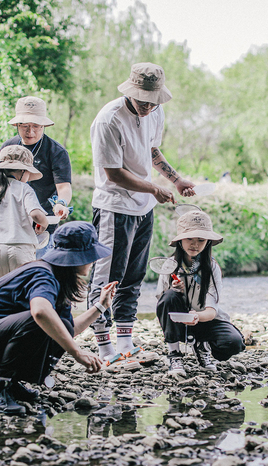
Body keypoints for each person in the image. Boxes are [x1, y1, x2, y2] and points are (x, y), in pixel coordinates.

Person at [0, 221, 117, 415]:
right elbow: (39, 313)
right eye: (91, 256)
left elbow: (67, 330)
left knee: (59, 325)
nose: (93, 262)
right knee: (39, 320)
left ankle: (10, 382)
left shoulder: (58, 278)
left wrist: (100, 306)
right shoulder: (43, 274)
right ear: (77, 257)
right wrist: (78, 353)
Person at [87, 62, 196, 362]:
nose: (148, 107)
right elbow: (113, 174)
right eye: (143, 101)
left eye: (153, 101)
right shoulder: (108, 120)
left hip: (143, 208)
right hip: (114, 207)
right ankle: (103, 346)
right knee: (108, 276)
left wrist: (175, 180)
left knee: (134, 275)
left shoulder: (156, 109)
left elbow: (151, 151)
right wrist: (153, 189)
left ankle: (125, 342)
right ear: (130, 92)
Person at [0, 96, 72, 258]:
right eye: (25, 126)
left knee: (37, 272)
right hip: (10, 223)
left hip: (41, 225)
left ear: (43, 126)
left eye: (36, 126)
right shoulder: (9, 147)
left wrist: (61, 204)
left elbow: (63, 187)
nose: (31, 132)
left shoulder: (56, 151)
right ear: (16, 125)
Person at [155, 210, 245, 376]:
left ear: (208, 242)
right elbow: (162, 305)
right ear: (180, 240)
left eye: (201, 240)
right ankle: (175, 355)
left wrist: (196, 316)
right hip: (178, 323)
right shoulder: (169, 265)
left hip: (204, 320)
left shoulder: (212, 268)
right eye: (189, 238)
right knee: (169, 296)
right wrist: (175, 291)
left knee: (234, 342)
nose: (194, 244)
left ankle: (202, 346)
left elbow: (211, 311)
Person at [0, 145, 49, 284]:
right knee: (22, 296)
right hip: (21, 250)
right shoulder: (24, 189)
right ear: (22, 171)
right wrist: (44, 224)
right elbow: (36, 215)